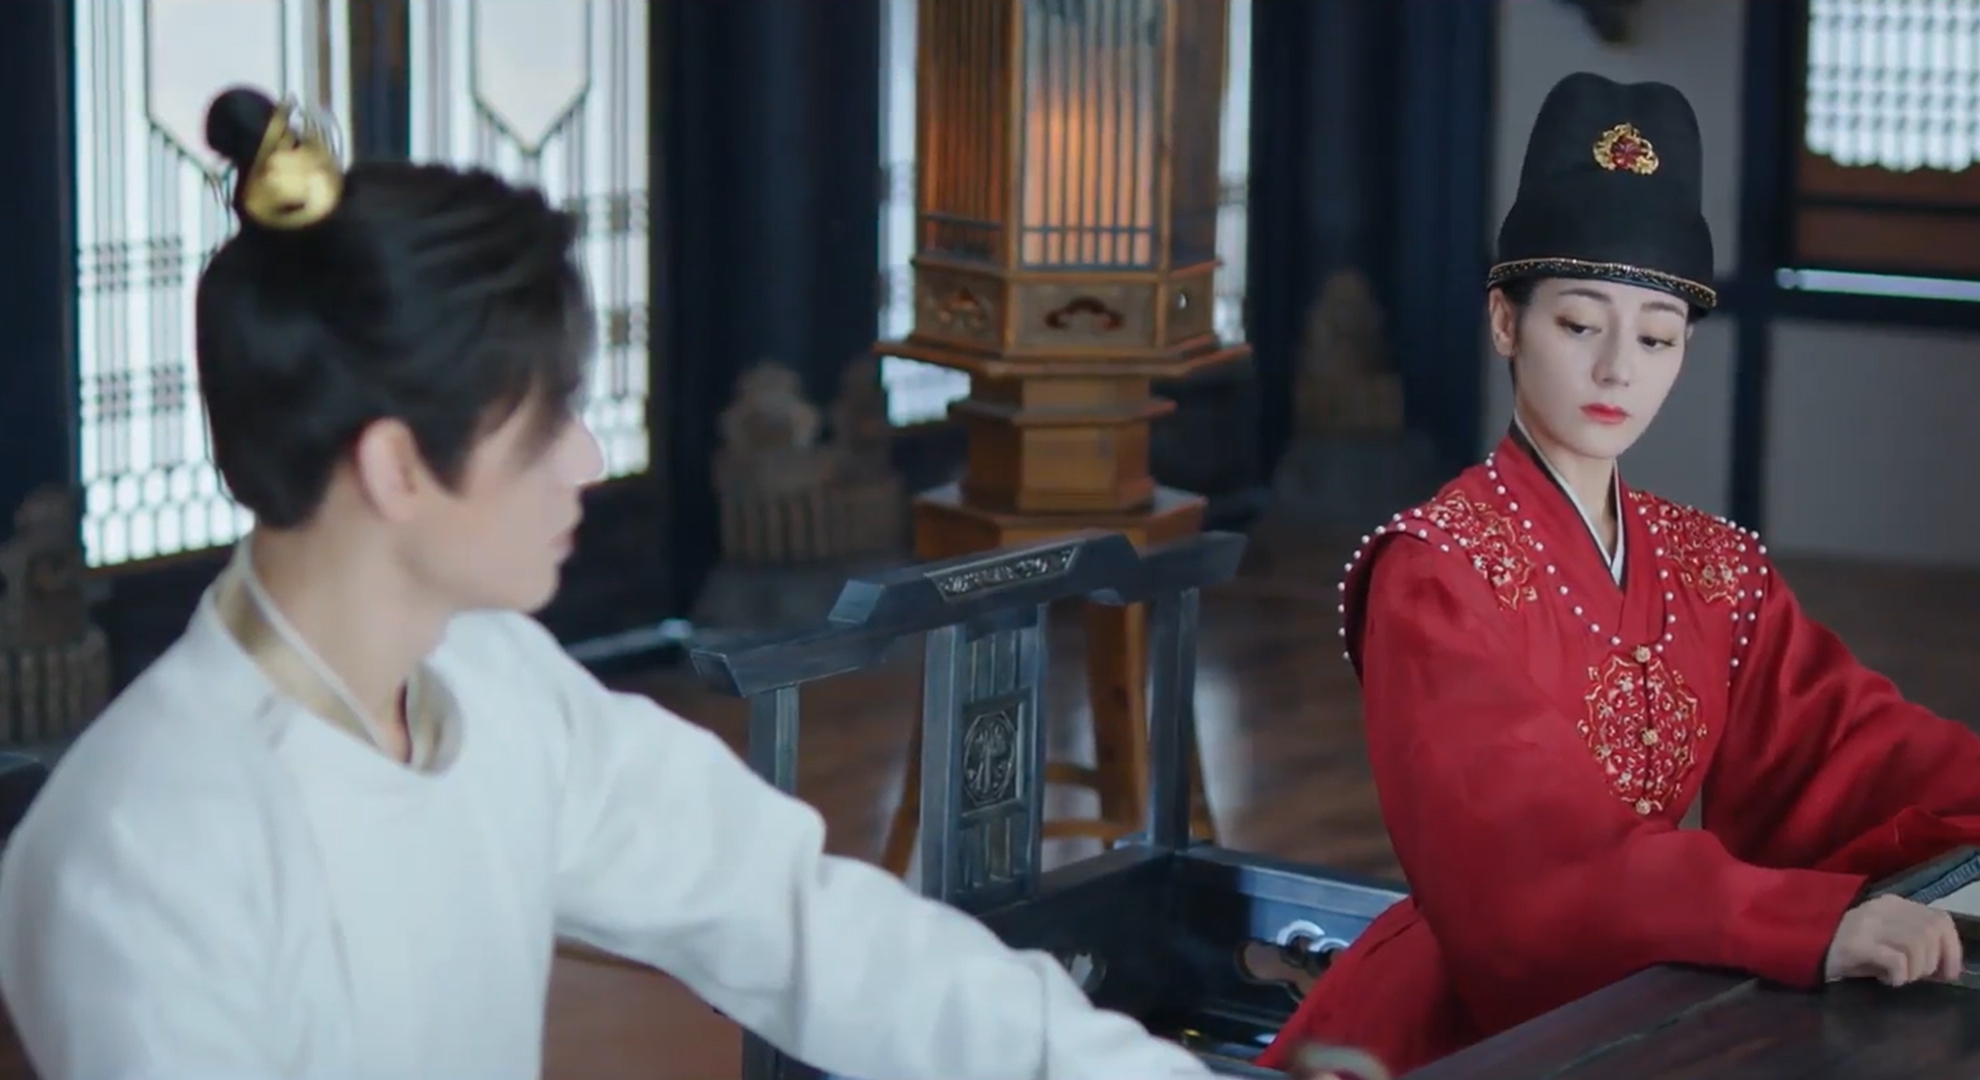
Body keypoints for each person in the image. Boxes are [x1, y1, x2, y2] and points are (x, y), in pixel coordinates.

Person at [0, 86, 1246, 1080]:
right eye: (549, 422)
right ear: (396, 467)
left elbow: (808, 928)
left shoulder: (492, 682)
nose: (588, 462)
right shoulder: (141, 851)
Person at [1256, 71, 1980, 1075]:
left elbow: (1852, 752)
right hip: (1463, 1022)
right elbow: (1528, 859)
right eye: (1578, 325)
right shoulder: (1436, 571)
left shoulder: (1713, 568)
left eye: (1656, 336)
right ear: (1505, 323)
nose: (1616, 371)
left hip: (1656, 986)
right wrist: (1799, 923)